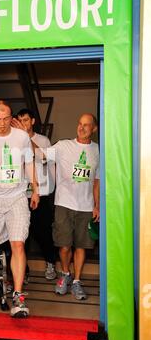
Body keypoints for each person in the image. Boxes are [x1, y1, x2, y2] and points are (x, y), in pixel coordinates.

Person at [0, 100, 39, 318]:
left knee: (18, 243)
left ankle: (18, 296)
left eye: (6, 118)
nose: (2, 123)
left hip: (17, 197)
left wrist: (36, 189)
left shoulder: (21, 137)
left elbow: (29, 164)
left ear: (11, 117)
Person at [48, 113, 100, 300]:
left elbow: (96, 181)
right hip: (64, 203)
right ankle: (65, 274)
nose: (82, 127)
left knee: (81, 246)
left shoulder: (97, 150)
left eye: (87, 125)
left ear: (93, 129)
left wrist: (97, 206)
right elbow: (41, 154)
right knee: (64, 245)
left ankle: (77, 281)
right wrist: (26, 135)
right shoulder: (63, 146)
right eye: (80, 124)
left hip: (86, 206)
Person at [13, 108, 57, 282]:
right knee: (21, 234)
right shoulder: (14, 140)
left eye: (25, 120)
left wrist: (26, 137)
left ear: (32, 121)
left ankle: (50, 263)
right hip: (21, 193)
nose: (23, 123)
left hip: (42, 193)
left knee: (43, 232)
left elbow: (44, 157)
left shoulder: (42, 139)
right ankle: (24, 271)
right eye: (19, 120)